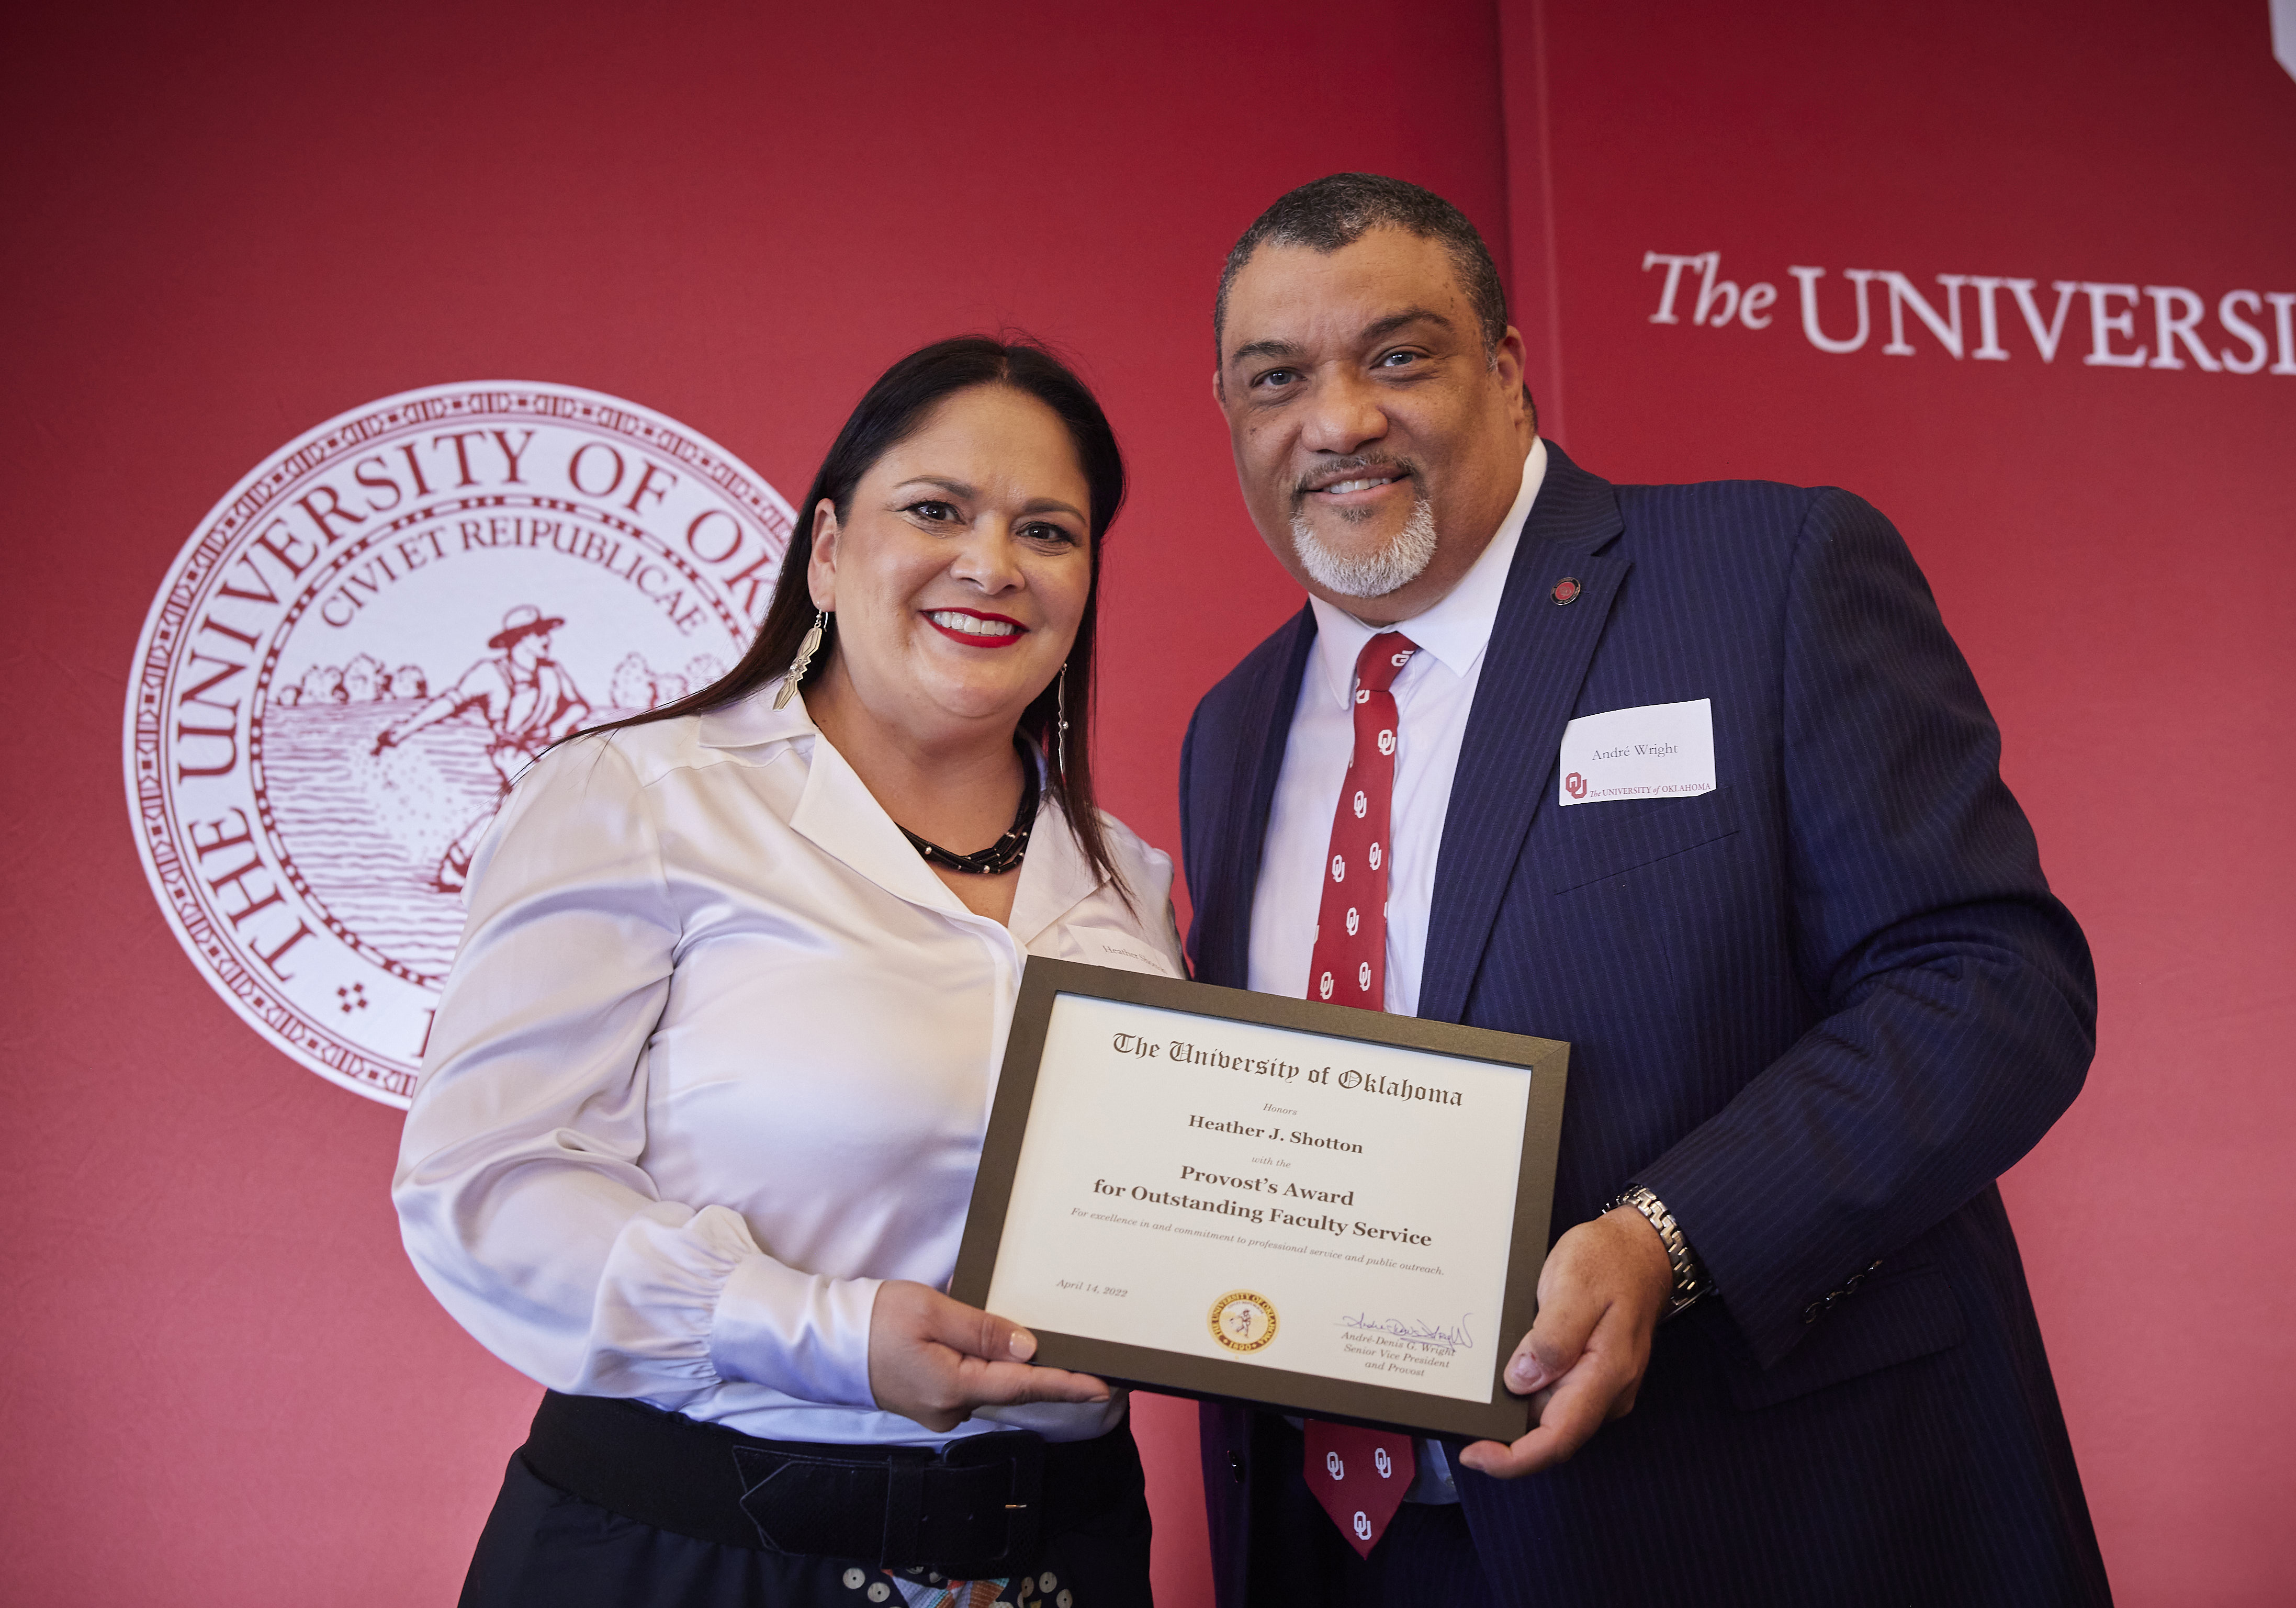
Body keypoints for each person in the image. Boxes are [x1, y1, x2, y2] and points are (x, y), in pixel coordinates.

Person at [1181, 174, 2111, 1605]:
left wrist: (1663, 1240)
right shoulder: (1233, 727)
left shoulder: (1765, 574)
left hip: (1766, 1523)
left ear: (1505, 368)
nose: (1339, 419)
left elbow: (1990, 988)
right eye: (1277, 378)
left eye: (1400, 355)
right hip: (1360, 1555)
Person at [395, 336, 1184, 1607]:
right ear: (826, 548)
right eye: (935, 510)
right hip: (695, 1549)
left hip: (1061, 1555)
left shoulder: (1127, 882)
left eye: (1048, 530)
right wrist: (826, 1334)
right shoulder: (640, 798)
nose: (991, 564)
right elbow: (487, 1190)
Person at [372, 603, 594, 890]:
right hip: (510, 752)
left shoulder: (552, 672)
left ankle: (457, 864)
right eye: (539, 634)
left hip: (546, 751)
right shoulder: (488, 674)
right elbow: (449, 702)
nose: (547, 640)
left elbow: (578, 706)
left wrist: (558, 728)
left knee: (509, 811)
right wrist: (402, 731)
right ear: (520, 640)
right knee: (544, 797)